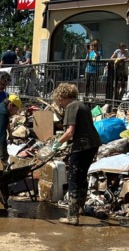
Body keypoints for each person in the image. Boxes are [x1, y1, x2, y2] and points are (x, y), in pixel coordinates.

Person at [51, 83, 101, 226]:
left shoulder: (71, 107)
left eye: (59, 100)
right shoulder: (82, 105)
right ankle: (80, 208)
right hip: (93, 144)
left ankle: (72, 216)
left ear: (63, 97)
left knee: (73, 178)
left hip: (83, 146)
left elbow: (70, 132)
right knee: (81, 175)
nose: (59, 103)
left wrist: (57, 143)